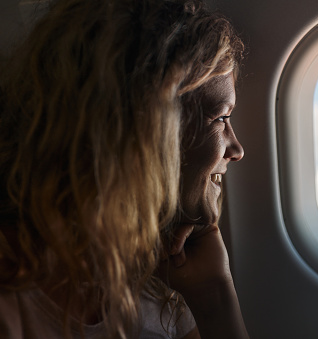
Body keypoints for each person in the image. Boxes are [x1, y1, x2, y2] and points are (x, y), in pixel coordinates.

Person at [0, 0, 248, 338]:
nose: (237, 150)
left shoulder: (162, 283)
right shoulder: (13, 302)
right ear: (147, 137)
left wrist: (215, 296)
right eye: (221, 118)